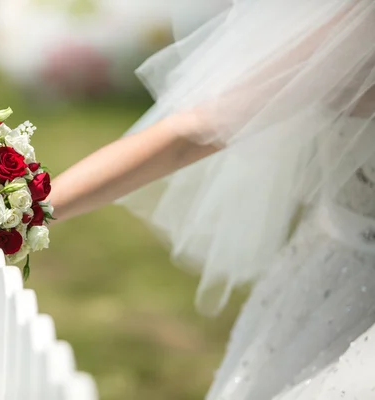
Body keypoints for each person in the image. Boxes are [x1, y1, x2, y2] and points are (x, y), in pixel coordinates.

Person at [46, 0, 375, 398]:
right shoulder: (354, 27)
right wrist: (28, 207)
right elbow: (193, 132)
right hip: (342, 270)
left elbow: (191, 134)